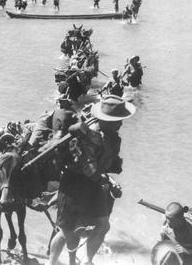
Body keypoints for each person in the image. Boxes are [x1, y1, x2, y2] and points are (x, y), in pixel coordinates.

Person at [48, 95, 135, 265]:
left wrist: (109, 178)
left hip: (93, 184)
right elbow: (90, 169)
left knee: (103, 226)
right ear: (107, 121)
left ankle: (88, 261)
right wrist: (105, 178)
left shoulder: (112, 137)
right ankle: (51, 262)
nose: (121, 124)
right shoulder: (86, 137)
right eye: (117, 120)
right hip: (73, 184)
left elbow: (108, 165)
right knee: (67, 232)